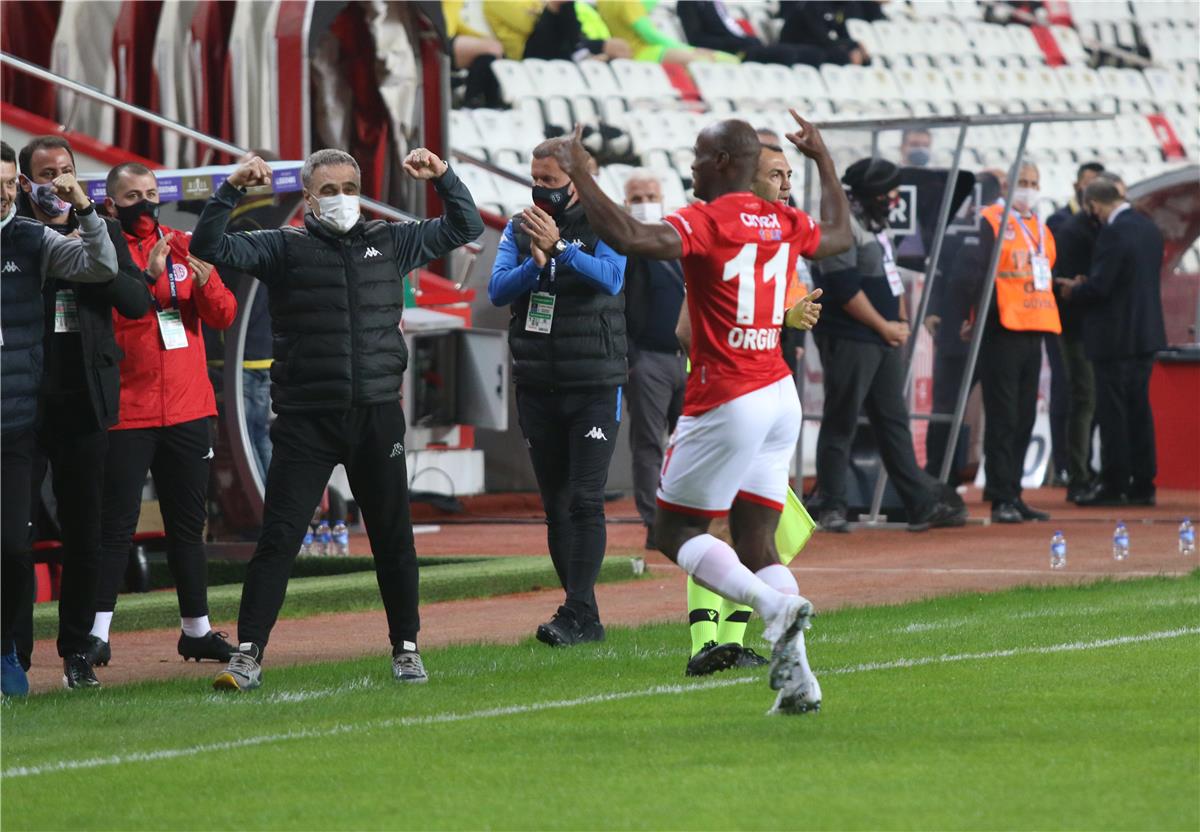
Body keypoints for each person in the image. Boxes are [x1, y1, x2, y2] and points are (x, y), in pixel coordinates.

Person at [548, 111, 853, 714]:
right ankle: (799, 680)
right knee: (758, 543)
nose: (689, 166)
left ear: (721, 162)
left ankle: (771, 607)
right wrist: (822, 159)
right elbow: (842, 235)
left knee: (674, 532)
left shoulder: (707, 219)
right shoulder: (784, 219)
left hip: (728, 394)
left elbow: (632, 239)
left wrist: (582, 173)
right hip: (778, 393)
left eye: (696, 156)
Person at [191, 147, 483, 691]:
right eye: (329, 191)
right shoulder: (282, 246)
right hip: (305, 420)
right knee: (280, 537)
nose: (341, 199)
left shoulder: (390, 240)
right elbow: (207, 246)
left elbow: (466, 226)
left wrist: (443, 177)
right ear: (308, 199)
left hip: (376, 415)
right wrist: (230, 190)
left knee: (392, 538)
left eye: (350, 188)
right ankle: (248, 653)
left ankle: (406, 648)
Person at [680, 137, 822, 678]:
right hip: (724, 401)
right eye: (776, 175)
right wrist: (775, 325)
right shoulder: (721, 233)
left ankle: (734, 640)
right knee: (714, 527)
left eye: (790, 175)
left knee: (764, 533)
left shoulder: (780, 240)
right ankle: (704, 642)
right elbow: (687, 327)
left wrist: (784, 322)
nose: (786, 185)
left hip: (761, 399)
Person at [87, 162, 238, 669]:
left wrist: (208, 283)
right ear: (111, 204)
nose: (146, 203)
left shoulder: (183, 244)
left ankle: (196, 631)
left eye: (151, 193)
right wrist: (147, 278)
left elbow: (223, 314)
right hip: (127, 410)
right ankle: (96, 635)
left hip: (188, 409)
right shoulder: (102, 251)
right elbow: (109, 318)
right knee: (116, 526)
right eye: (133, 196)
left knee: (187, 526)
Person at [14, 136, 150, 690]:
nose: (59, 181)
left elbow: (137, 302)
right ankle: (14, 655)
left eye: (66, 169)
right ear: (25, 182)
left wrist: (92, 259)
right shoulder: (17, 232)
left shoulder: (100, 228)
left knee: (84, 532)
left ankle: (77, 651)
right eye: (47, 173)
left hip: (86, 399)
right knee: (15, 535)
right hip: (23, 401)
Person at [488, 139, 627, 647]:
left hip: (594, 382)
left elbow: (612, 278)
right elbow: (498, 289)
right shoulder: (519, 226)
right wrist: (536, 263)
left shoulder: (608, 220)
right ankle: (583, 615)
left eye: (549, 180)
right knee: (557, 504)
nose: (539, 188)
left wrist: (563, 250)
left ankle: (574, 613)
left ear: (577, 182)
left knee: (586, 500)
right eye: (535, 178)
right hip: (537, 382)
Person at [0, 140, 118, 697]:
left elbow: (105, 269)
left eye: (7, 183)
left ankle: (39, 651)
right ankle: (12, 648)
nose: (3, 194)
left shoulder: (35, 238)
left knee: (25, 544)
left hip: (35, 415)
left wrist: (87, 210)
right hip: (25, 413)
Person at [810, 157, 967, 533]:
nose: (895, 198)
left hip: (882, 339)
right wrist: (884, 326)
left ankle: (920, 504)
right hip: (851, 338)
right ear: (870, 193)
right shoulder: (840, 225)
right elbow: (844, 289)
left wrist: (900, 321)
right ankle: (830, 505)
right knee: (841, 421)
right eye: (889, 191)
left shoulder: (877, 225)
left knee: (893, 422)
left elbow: (890, 278)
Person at [953, 162, 1060, 524]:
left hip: (1035, 325)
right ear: (1007, 186)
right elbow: (973, 274)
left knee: (1025, 416)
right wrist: (972, 318)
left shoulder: (1041, 228)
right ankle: (1000, 497)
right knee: (1003, 416)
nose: (1029, 188)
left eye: (1034, 182)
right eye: (1023, 182)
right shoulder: (991, 220)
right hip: (1001, 328)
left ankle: (1014, 492)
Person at [1057, 176, 1166, 507]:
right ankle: (1143, 482)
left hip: (1115, 338)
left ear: (1093, 205)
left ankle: (1114, 483)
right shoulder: (1148, 228)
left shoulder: (1114, 232)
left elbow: (1102, 287)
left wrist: (1075, 289)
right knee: (1139, 411)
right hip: (1145, 333)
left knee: (1114, 413)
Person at [924, 168, 1004, 485]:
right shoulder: (955, 229)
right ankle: (939, 476)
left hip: (991, 331)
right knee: (947, 406)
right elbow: (938, 272)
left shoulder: (1004, 229)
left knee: (991, 408)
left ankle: (987, 480)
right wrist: (932, 311)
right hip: (958, 330)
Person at [622, 171, 685, 552]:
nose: (645, 203)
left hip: (687, 358)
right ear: (625, 203)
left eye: (651, 196)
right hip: (647, 359)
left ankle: (688, 519)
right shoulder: (623, 244)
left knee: (690, 444)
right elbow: (617, 303)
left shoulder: (675, 240)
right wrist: (631, 358)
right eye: (637, 198)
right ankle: (655, 522)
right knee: (648, 445)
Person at [1046, 162, 1105, 502]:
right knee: (1075, 396)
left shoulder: (1092, 227)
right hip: (1073, 325)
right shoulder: (1066, 226)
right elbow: (1060, 279)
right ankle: (1071, 469)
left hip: (1084, 326)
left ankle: (1079, 467)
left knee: (1085, 398)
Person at [678, 0, 828, 67]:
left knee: (814, 53)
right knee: (786, 53)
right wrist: (735, 42)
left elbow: (730, 28)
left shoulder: (715, 3)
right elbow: (696, 39)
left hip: (743, 45)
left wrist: (745, 39)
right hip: (731, 51)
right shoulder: (688, 3)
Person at [597, 0, 736, 64]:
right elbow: (650, 36)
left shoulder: (603, 1)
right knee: (720, 59)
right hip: (643, 52)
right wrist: (688, 49)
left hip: (638, 51)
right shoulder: (628, 3)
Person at [485, 0, 630, 62]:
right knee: (558, 2)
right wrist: (548, 8)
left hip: (561, 40)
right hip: (530, 51)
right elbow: (529, 26)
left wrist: (545, 8)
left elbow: (538, 14)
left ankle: (578, 51)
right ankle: (579, 53)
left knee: (619, 46)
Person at [777, 0, 882, 66]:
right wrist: (851, 46)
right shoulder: (814, 4)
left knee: (863, 58)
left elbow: (843, 34)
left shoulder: (841, 7)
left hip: (815, 45)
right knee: (839, 56)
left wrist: (855, 46)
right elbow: (821, 38)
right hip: (796, 44)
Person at [442, 0, 504, 108]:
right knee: (493, 48)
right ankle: (471, 99)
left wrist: (483, 39)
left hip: (447, 37)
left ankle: (484, 103)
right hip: (437, 38)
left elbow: (457, 24)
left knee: (488, 57)